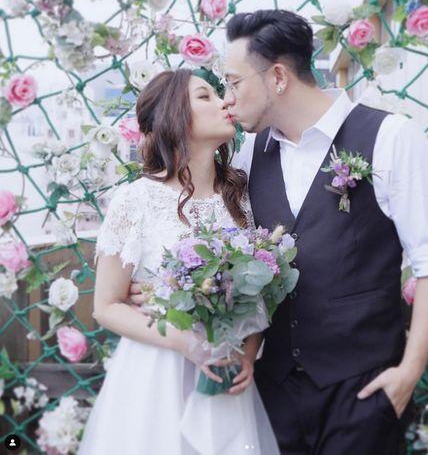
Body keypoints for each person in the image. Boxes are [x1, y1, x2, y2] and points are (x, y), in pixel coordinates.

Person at [217, 9, 428, 454]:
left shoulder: (391, 136)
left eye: (233, 82)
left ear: (277, 77)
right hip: (275, 392)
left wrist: (409, 372)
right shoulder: (249, 153)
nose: (227, 98)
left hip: (363, 391)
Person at [78, 69, 279, 455]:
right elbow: (106, 306)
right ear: (175, 115)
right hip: (157, 373)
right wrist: (186, 342)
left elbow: (256, 291)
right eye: (205, 96)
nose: (224, 102)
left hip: (225, 374)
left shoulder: (238, 199)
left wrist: (248, 352)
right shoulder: (135, 200)